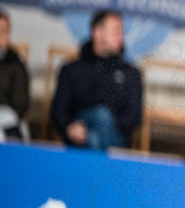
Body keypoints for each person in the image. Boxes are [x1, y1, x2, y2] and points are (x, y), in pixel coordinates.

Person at [51, 9, 142, 150]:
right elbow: (58, 111)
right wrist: (70, 128)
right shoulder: (71, 70)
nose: (121, 37)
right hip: (78, 135)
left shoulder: (131, 74)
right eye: (116, 31)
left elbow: (133, 116)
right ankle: (105, 170)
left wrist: (108, 124)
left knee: (100, 122)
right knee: (94, 135)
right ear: (98, 32)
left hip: (116, 138)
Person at [0, 9, 30, 143]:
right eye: (2, 31)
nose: (6, 35)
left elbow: (21, 100)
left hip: (4, 114)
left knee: (11, 128)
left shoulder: (14, 61)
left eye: (8, 30)